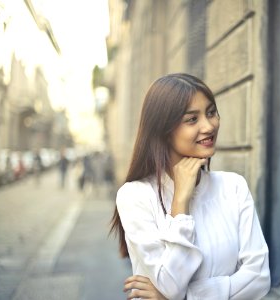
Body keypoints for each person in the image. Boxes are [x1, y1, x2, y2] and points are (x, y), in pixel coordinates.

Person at [110, 73, 270, 300]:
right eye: (192, 119)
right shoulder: (135, 196)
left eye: (211, 113)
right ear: (164, 130)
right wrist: (180, 204)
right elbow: (170, 285)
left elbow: (259, 278)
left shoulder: (233, 186)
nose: (208, 126)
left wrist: (188, 298)